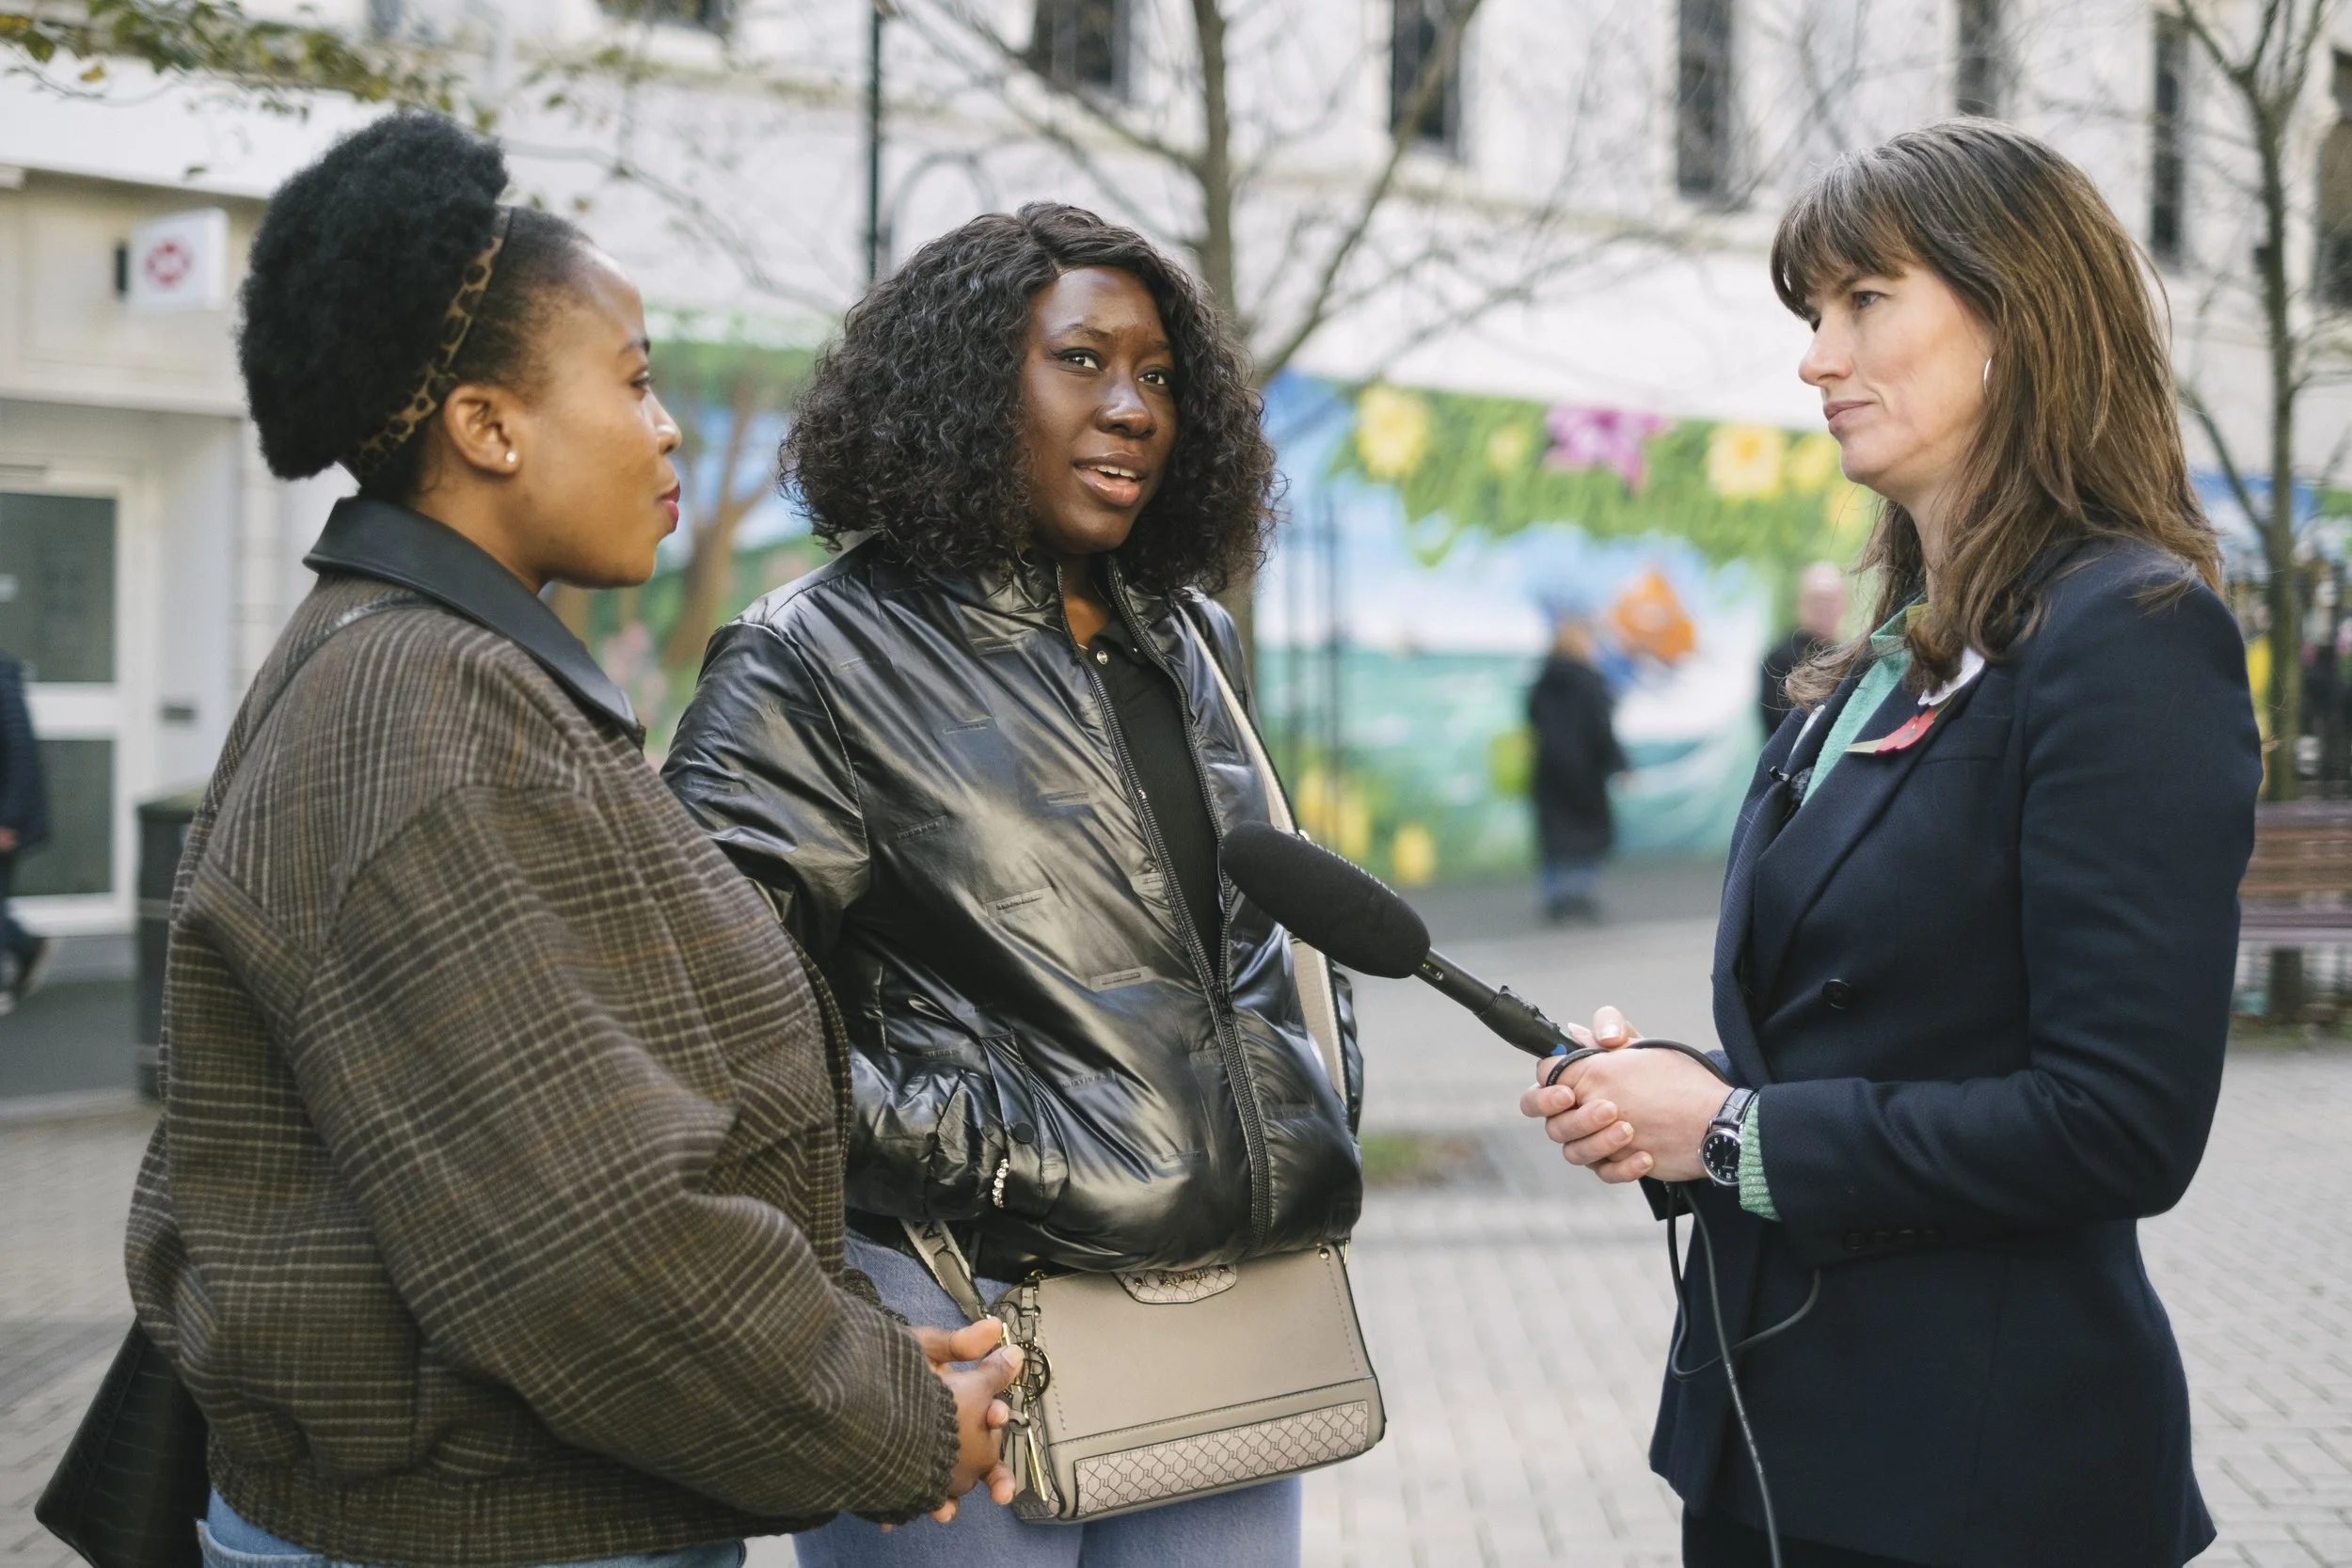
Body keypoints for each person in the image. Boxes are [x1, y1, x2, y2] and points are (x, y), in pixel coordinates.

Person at [123, 113, 1018, 1568]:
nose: (668, 426)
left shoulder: (424, 668)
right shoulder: (422, 704)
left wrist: (840, 1356)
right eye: (636, 379)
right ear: (487, 426)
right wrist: (880, 1417)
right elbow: (589, 1239)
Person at [1518, 120, 2259, 1568]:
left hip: (1979, 1477)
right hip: (1767, 1439)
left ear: (2017, 318)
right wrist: (1674, 1101)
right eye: (1814, 312)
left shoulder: (2133, 638)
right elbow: (1874, 1034)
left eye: (1868, 300)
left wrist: (1733, 1132)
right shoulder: (1902, 651)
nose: (1816, 355)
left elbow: (2120, 1121)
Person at [662, 204, 1362, 1568]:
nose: (1133, 407)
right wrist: (994, 1142)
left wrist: (1298, 1110)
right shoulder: (811, 661)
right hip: (959, 1308)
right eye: (1083, 361)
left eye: (1160, 375)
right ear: (971, 388)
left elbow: (1249, 938)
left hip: (1221, 1310)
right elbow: (712, 1016)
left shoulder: (1188, 637)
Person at [1526, 615, 1628, 921]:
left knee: (1554, 834)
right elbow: (1601, 729)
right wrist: (1618, 763)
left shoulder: (1543, 682)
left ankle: (1556, 895)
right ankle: (1582, 894)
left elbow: (1532, 720)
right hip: (1586, 773)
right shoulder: (1591, 682)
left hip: (1549, 772)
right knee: (1589, 834)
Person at [0, 649, 49, 1011]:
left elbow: (22, 756)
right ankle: (28, 946)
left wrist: (8, 821)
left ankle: (28, 948)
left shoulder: (4, 685)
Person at [1756, 562, 1846, 738]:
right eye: (1818, 600)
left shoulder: (1847, 656)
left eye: (1831, 600)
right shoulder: (1779, 659)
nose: (1825, 608)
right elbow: (1780, 723)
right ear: (1801, 603)